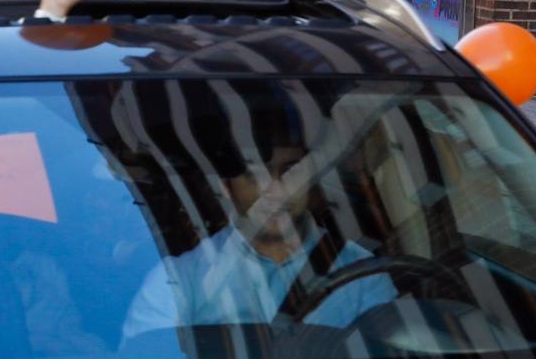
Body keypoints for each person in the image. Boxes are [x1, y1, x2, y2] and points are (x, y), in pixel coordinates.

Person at [122, 110, 396, 340]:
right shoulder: (177, 282)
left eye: (290, 171)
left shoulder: (363, 274)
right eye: (254, 174)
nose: (275, 190)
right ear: (226, 187)